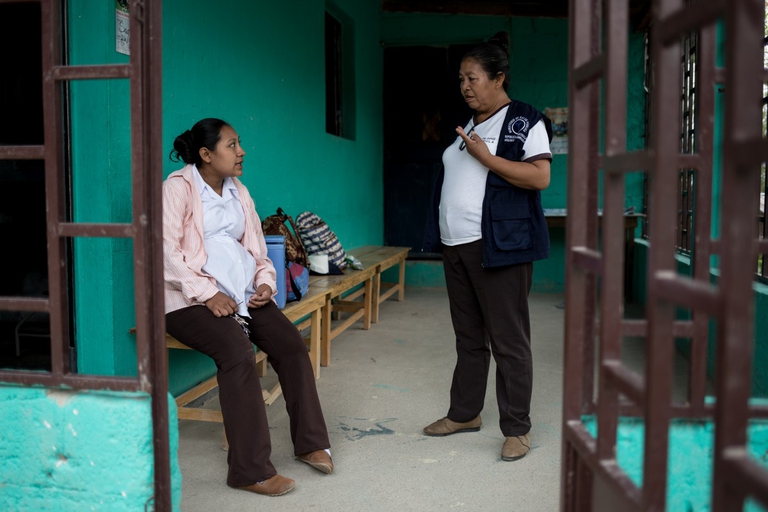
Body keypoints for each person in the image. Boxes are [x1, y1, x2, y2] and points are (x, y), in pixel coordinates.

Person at [163, 118, 333, 497]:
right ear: (206, 155)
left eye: (239, 144)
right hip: (186, 299)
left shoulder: (239, 191)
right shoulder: (177, 189)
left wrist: (265, 284)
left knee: (290, 343)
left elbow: (258, 250)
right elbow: (165, 253)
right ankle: (248, 470)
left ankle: (310, 442)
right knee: (237, 352)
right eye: (232, 145)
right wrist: (207, 294)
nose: (241, 152)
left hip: (241, 294)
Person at [421, 32, 553, 462]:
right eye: (461, 78)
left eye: (473, 77)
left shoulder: (524, 120)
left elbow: (539, 177)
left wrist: (487, 158)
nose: (465, 86)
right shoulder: (469, 127)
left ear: (498, 78)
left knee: (509, 339)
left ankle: (517, 427)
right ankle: (465, 413)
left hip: (499, 246)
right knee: (468, 337)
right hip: (455, 246)